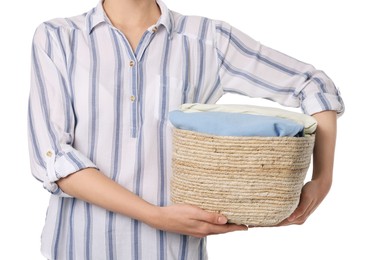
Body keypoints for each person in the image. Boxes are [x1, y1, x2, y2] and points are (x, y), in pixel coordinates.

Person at [27, 0, 344, 259]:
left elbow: (315, 86)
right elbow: (53, 160)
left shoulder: (208, 39)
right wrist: (154, 215)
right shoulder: (57, 38)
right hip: (76, 248)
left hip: (174, 252)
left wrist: (322, 180)